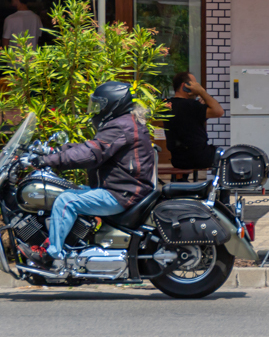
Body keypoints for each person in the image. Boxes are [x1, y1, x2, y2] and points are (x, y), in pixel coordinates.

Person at [22, 82, 154, 272]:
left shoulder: (120, 126)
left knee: (66, 200)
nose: (97, 110)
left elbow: (90, 154)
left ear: (113, 104)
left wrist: (46, 161)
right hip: (122, 189)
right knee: (67, 189)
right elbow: (90, 146)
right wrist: (55, 151)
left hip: (120, 193)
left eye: (100, 104)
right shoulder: (125, 122)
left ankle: (51, 256)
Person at [162, 71, 224, 171]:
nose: (197, 88)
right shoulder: (191, 105)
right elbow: (219, 112)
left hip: (177, 159)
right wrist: (202, 92)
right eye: (194, 85)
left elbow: (189, 122)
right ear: (185, 86)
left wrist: (201, 105)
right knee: (223, 154)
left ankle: (182, 178)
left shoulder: (167, 105)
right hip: (199, 157)